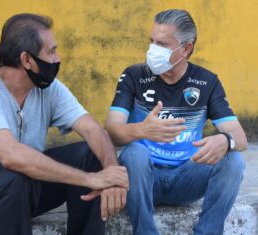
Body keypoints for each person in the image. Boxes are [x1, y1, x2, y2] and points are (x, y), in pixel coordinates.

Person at [0, 13, 128, 235]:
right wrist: (91, 179)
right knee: (12, 176)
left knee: (90, 154)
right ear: (27, 60)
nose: (57, 58)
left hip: (21, 190)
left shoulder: (50, 88)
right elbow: (11, 156)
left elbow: (93, 130)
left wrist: (112, 175)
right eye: (51, 51)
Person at [105, 9, 247, 235]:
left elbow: (240, 138)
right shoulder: (134, 75)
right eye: (151, 41)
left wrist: (224, 140)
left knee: (234, 161)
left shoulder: (206, 81)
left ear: (186, 49)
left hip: (186, 178)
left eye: (162, 44)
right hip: (143, 179)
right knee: (134, 153)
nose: (152, 50)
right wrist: (142, 130)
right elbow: (112, 131)